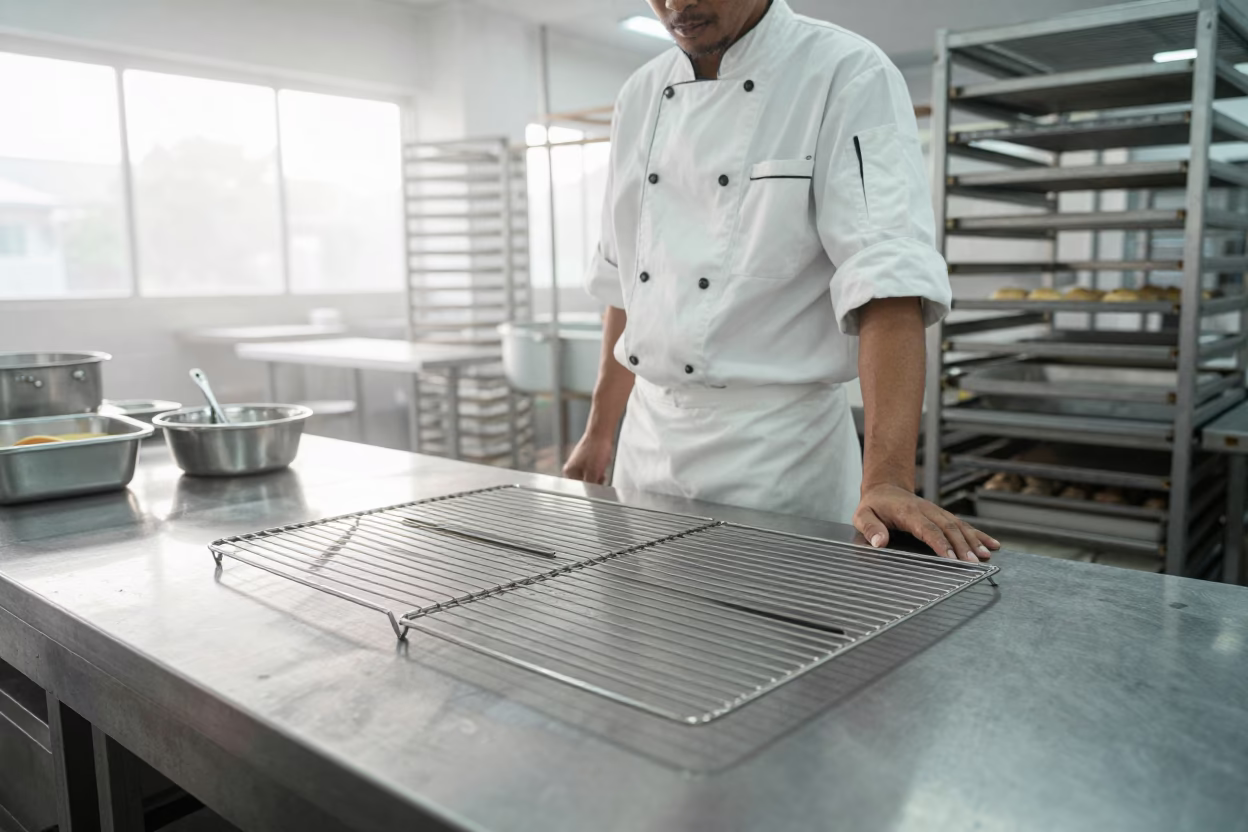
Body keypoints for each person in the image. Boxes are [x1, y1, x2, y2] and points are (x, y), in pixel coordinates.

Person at [563, 0, 998, 563]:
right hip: (647, 451)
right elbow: (627, 283)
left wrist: (887, 478)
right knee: (645, 640)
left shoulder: (844, 71)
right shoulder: (639, 94)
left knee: (778, 641)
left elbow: (886, 280)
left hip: (778, 457)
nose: (676, 4)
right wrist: (601, 431)